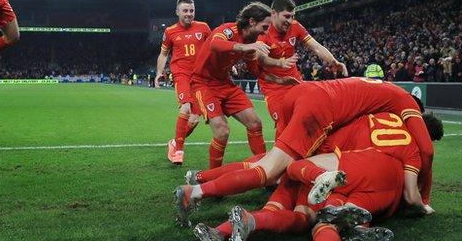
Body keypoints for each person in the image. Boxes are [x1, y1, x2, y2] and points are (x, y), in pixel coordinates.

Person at [174, 77, 436, 226]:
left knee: (270, 162)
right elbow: (426, 149)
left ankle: (201, 177)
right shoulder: (404, 102)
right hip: (321, 109)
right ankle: (195, 193)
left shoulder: (381, 91)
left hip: (304, 90)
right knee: (271, 171)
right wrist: (424, 196)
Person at [189, 2, 297, 170]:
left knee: (255, 123)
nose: (266, 32)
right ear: (252, 21)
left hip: (225, 84)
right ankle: (213, 174)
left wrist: (280, 81)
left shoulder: (252, 42)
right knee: (222, 131)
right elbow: (214, 45)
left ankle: (264, 168)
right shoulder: (228, 30)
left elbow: (257, 72)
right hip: (203, 84)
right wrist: (245, 47)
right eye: (264, 26)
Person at [258, 0, 347, 136]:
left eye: (292, 16)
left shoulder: (295, 27)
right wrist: (279, 63)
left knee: (311, 116)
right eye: (286, 16)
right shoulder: (263, 31)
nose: (289, 21)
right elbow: (260, 59)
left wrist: (333, 62)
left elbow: (316, 47)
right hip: (273, 88)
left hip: (295, 82)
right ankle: (281, 157)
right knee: (284, 124)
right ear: (273, 13)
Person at [155, 0, 211, 165]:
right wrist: (159, 72)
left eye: (191, 11)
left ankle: (174, 142)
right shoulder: (170, 31)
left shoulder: (204, 27)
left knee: (194, 120)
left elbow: (214, 46)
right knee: (185, 107)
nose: (189, 14)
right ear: (177, 12)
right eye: (185, 11)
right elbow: (164, 54)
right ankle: (179, 150)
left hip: (200, 77)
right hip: (181, 75)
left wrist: (227, 64)